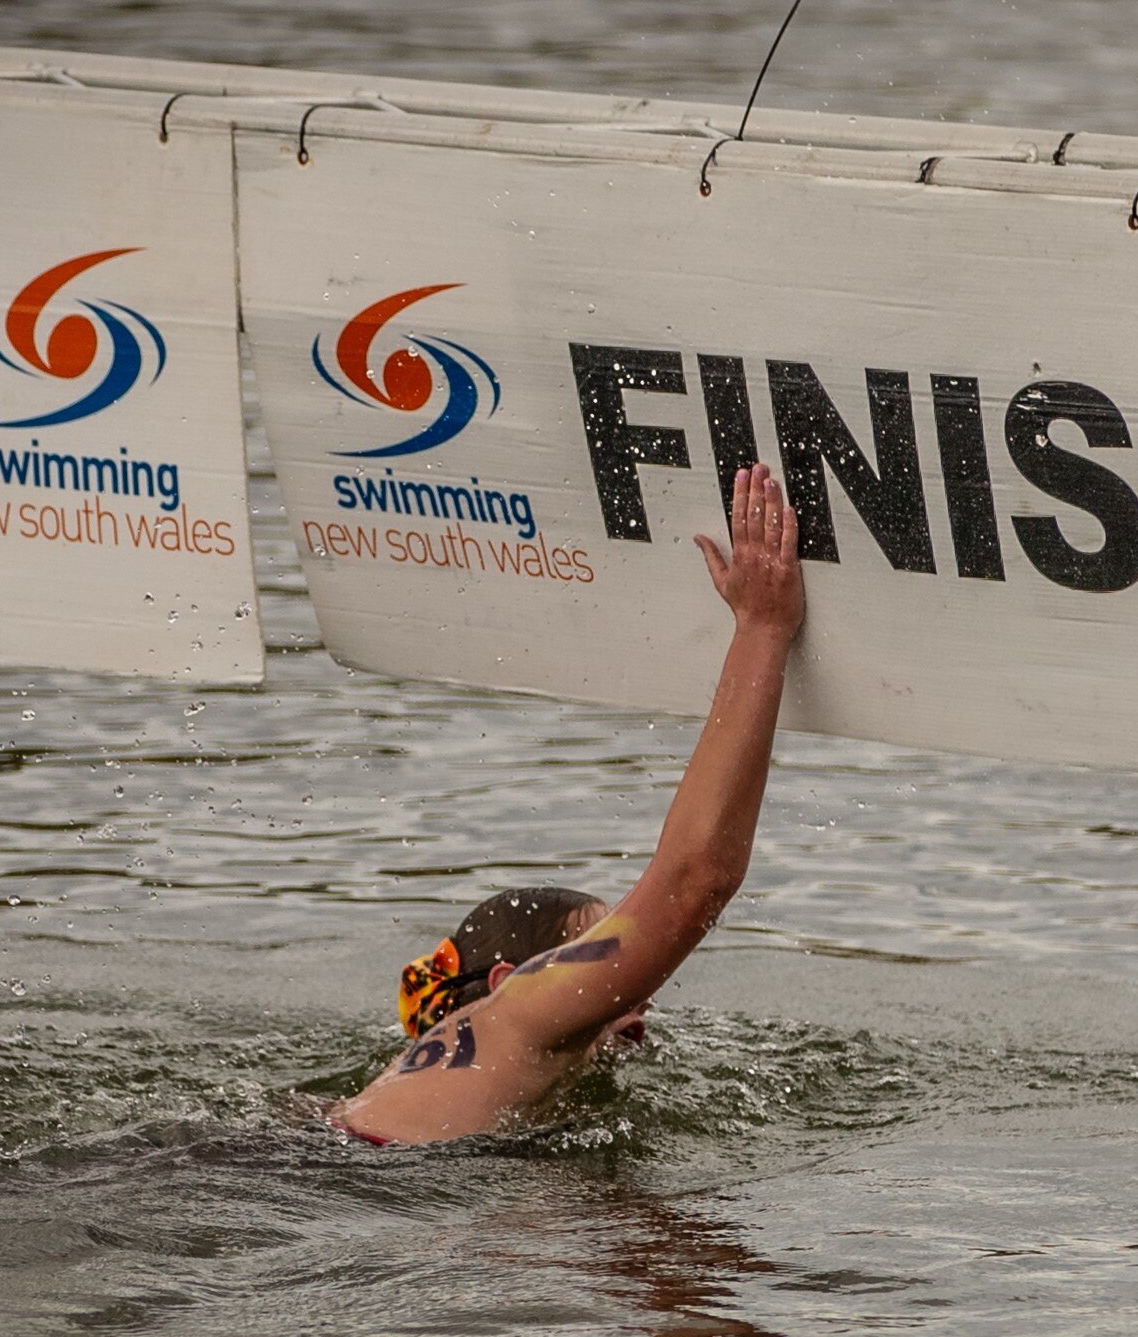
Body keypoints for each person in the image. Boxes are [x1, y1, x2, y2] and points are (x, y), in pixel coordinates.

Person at [331, 461, 807, 1145]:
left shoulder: (455, 1067)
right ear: (511, 979)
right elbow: (694, 883)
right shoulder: (521, 1013)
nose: (637, 984)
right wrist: (762, 628)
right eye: (598, 950)